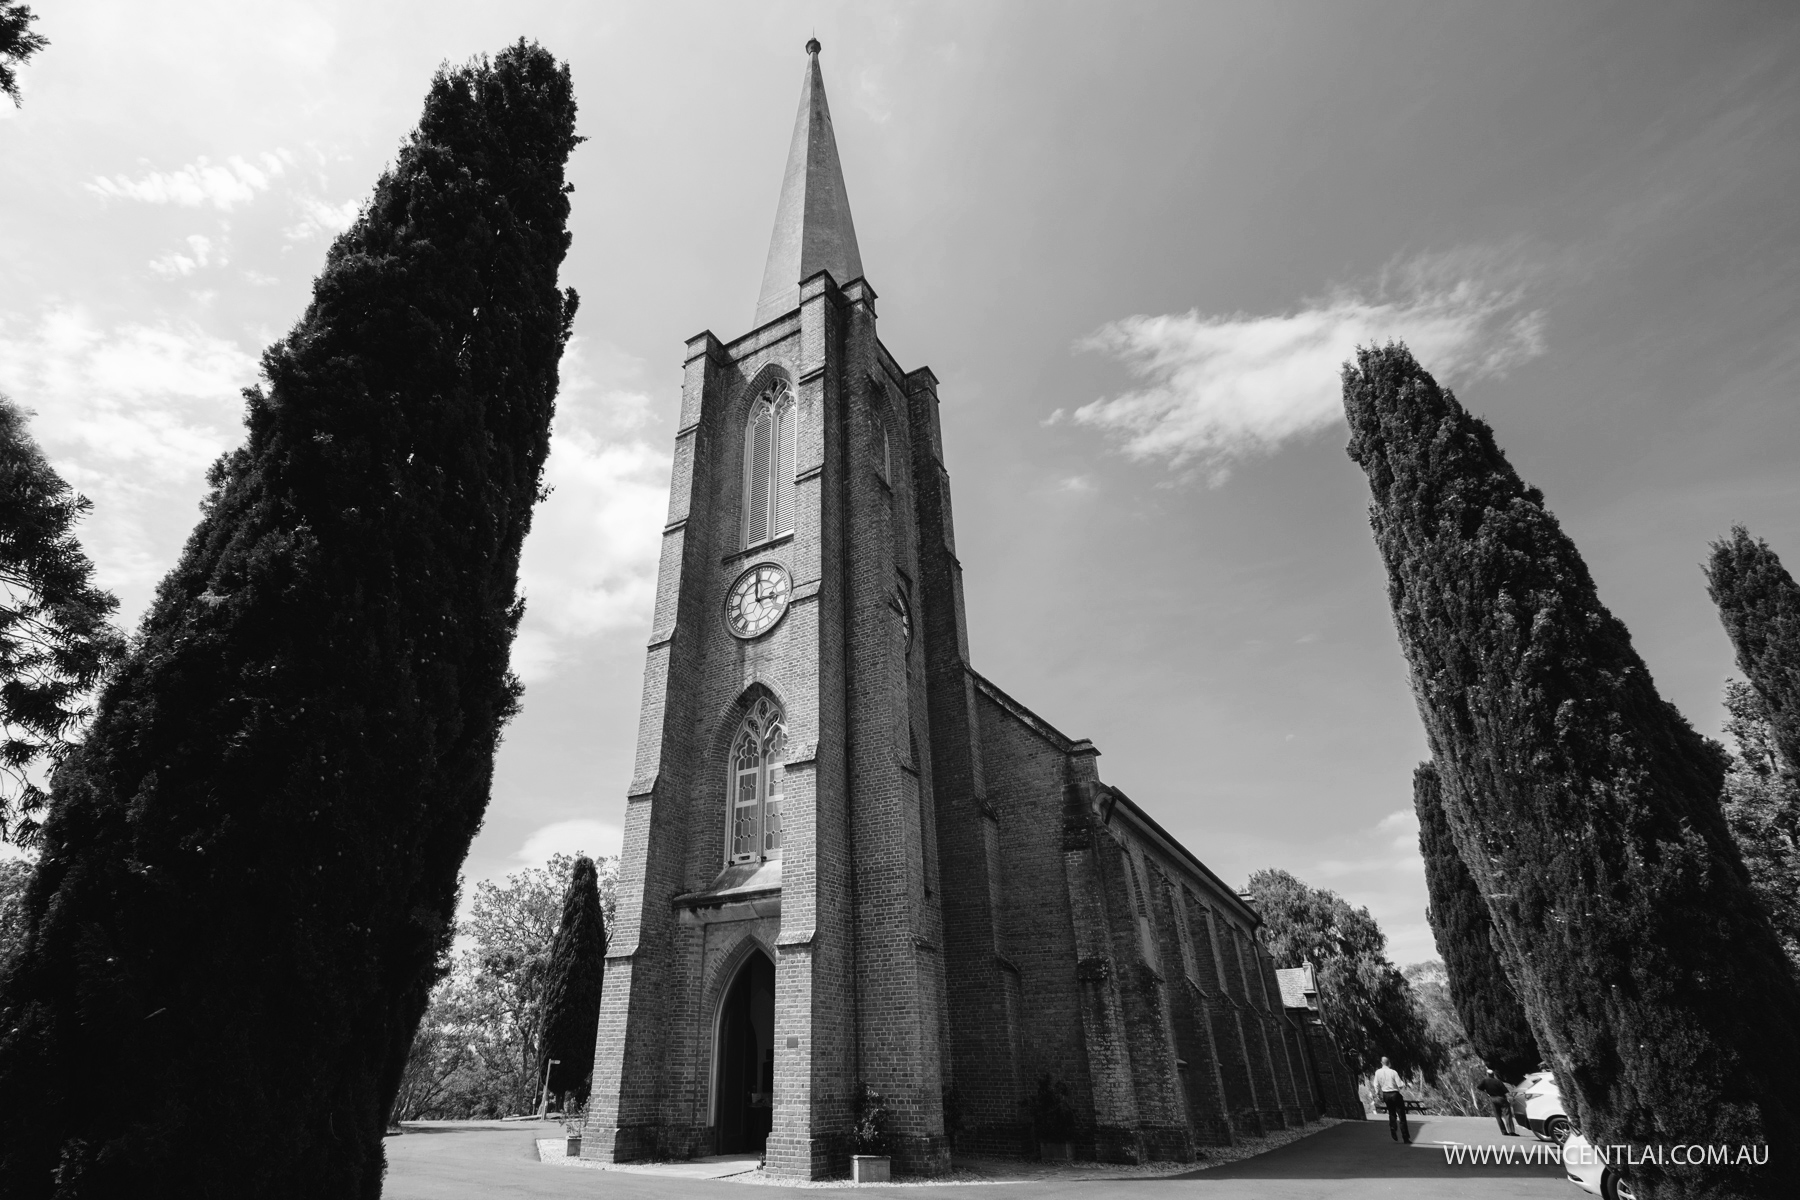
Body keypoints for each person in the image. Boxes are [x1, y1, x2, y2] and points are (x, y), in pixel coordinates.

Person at [1371, 1056, 1411, 1143]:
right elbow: (1400, 1084)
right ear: (1389, 1063)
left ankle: (1393, 1127)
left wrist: (1378, 1093)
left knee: (1392, 1113)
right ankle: (1405, 1137)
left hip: (1385, 1094)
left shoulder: (1378, 1072)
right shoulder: (1393, 1072)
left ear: (1381, 1063)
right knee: (1401, 1116)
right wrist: (1402, 1086)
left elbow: (1376, 1084)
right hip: (1395, 1094)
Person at [1476, 1069, 1515, 1135]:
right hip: (1501, 1098)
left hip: (1492, 1099)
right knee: (1507, 1115)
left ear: (1487, 1074)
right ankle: (1511, 1131)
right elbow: (1505, 1091)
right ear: (1493, 1074)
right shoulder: (1498, 1081)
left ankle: (1503, 1131)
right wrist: (1510, 1099)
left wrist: (1486, 1092)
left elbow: (1479, 1087)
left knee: (1498, 1116)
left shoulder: (1485, 1080)